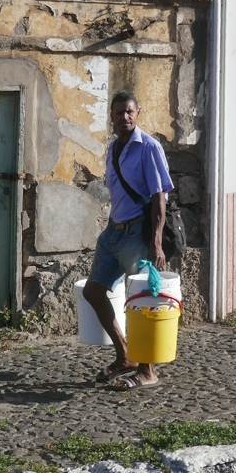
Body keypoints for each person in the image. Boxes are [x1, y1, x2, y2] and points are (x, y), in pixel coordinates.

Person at [82, 91, 174, 391]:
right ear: (111, 116)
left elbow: (159, 197)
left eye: (130, 111)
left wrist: (156, 243)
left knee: (141, 300)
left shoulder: (149, 147)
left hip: (137, 233)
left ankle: (148, 370)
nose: (125, 117)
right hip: (114, 231)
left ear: (138, 113)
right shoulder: (113, 148)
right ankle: (125, 355)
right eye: (119, 112)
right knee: (94, 291)